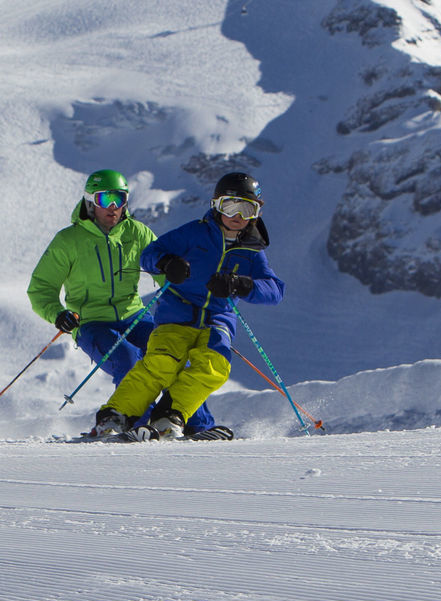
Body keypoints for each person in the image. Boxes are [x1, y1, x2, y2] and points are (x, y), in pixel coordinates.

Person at [27, 168, 226, 438]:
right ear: (89, 202)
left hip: (134, 316)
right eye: (104, 199)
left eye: (119, 199)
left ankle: (195, 426)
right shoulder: (68, 241)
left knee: (171, 356)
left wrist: (188, 285)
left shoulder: (137, 233)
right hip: (91, 322)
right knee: (127, 360)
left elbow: (164, 273)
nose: (112, 207)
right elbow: (41, 289)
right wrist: (59, 314)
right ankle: (138, 424)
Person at [92, 171, 283, 441]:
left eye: (247, 208)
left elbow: (275, 290)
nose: (238, 215)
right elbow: (149, 254)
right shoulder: (195, 233)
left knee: (214, 366)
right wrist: (168, 263)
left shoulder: (252, 251)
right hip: (177, 312)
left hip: (218, 317)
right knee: (162, 361)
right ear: (216, 205)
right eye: (230, 206)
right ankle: (115, 415)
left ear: (256, 213)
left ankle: (169, 416)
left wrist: (241, 285)